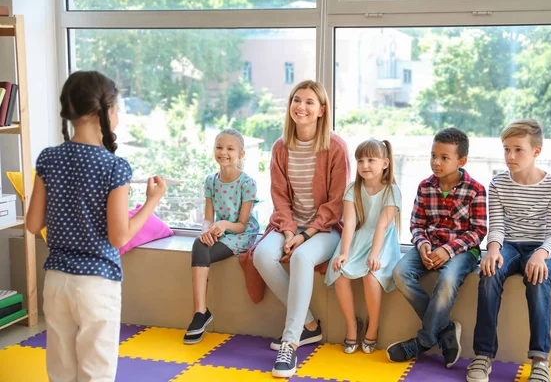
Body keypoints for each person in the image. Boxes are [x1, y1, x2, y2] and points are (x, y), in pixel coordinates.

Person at [26, 70, 167, 382]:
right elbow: (119, 237)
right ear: (104, 111)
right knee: (96, 373)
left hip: (56, 281)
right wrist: (151, 202)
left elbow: (34, 223)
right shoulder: (115, 166)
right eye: (116, 108)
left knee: (61, 370)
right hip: (96, 284)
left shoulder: (49, 159)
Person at [251, 80, 350, 378]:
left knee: (301, 257)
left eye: (309, 102)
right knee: (261, 256)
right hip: (289, 225)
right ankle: (309, 325)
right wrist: (290, 231)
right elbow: (279, 197)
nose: (301, 107)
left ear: (322, 110)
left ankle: (290, 343)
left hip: (326, 228)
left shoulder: (336, 147)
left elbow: (336, 204)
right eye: (296, 100)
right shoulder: (280, 147)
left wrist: (305, 235)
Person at [466, 119, 551, 382]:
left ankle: (541, 361)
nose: (510, 156)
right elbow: (496, 228)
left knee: (538, 279)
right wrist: (493, 249)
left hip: (541, 247)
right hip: (508, 244)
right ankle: (483, 356)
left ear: (536, 151)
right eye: (506, 149)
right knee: (489, 274)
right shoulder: (498, 184)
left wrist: (541, 255)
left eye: (518, 149)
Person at [387, 127, 487, 369]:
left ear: (461, 161)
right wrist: (423, 246)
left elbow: (478, 232)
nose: (436, 162)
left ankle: (423, 340)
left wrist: (448, 251)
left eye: (444, 158)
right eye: (433, 156)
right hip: (430, 245)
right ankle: (445, 330)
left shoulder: (476, 190)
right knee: (400, 273)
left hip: (463, 251)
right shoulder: (425, 187)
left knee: (448, 279)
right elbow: (417, 224)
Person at [325, 139, 402, 355]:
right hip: (358, 237)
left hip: (382, 240)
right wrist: (344, 253)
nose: (364, 165)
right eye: (360, 160)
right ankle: (352, 325)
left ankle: (373, 325)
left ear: (385, 163)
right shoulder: (353, 189)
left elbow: (381, 225)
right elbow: (349, 223)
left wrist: (374, 255)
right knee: (340, 273)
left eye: (371, 160)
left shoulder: (392, 191)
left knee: (371, 276)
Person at [183, 128, 259, 344]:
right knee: (199, 244)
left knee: (203, 249)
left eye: (229, 148)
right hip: (219, 230)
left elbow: (242, 225)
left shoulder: (247, 183)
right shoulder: (211, 181)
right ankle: (200, 312)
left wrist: (224, 224)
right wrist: (206, 230)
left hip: (240, 233)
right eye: (219, 147)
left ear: (241, 154)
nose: (223, 152)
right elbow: (208, 217)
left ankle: (200, 315)